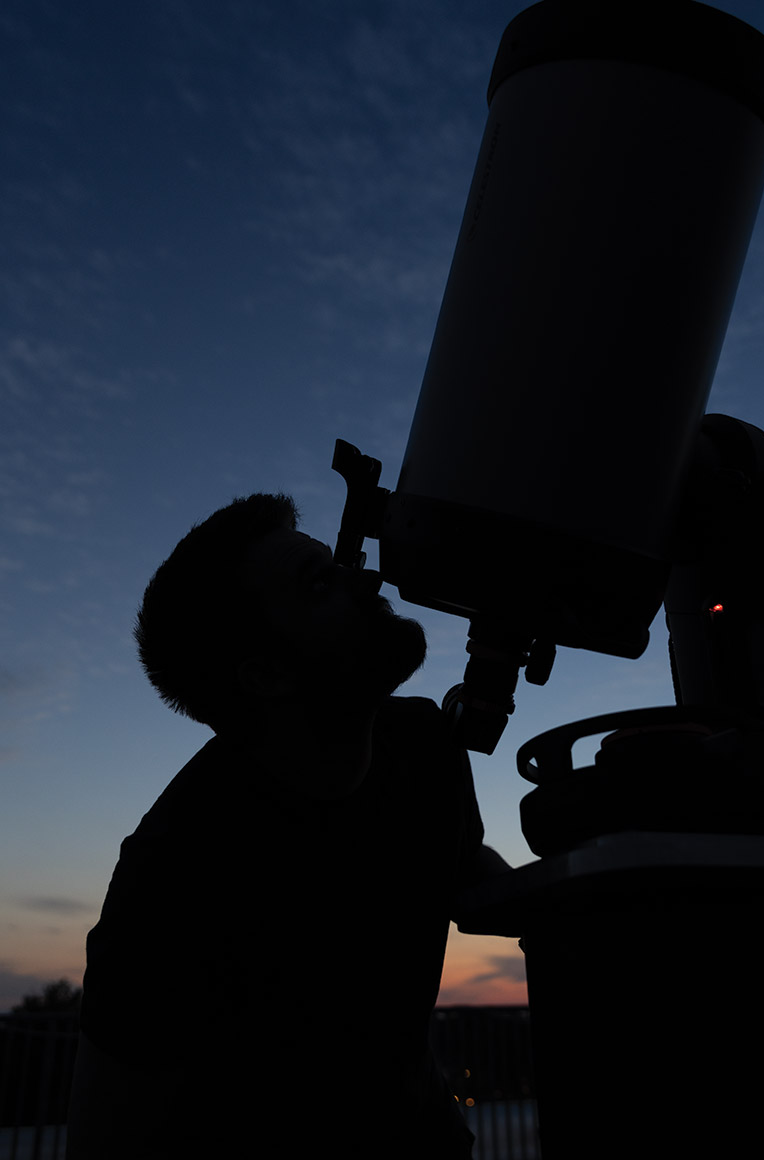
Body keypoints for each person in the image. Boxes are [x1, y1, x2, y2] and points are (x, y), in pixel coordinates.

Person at [67, 492, 509, 1158]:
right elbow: (108, 1136)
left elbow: (470, 879)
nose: (365, 579)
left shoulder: (423, 744)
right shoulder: (172, 876)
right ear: (267, 674)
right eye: (318, 584)